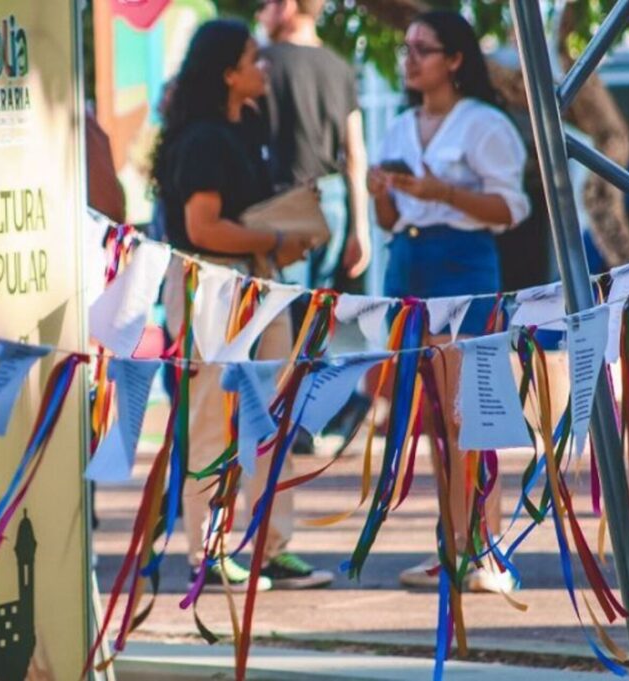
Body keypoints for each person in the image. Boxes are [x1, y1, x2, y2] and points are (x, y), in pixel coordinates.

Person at [151, 19, 334, 592]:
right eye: (256, 59)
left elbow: (243, 215)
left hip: (256, 283)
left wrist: (290, 219)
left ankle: (268, 546)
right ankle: (209, 551)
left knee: (271, 416)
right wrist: (276, 240)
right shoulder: (203, 138)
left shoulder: (246, 126)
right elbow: (202, 227)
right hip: (214, 285)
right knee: (214, 420)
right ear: (229, 73)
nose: (266, 68)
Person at [367, 10, 531, 592]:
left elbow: (510, 210)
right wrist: (381, 193)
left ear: (455, 60)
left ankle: (484, 549)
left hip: (462, 263)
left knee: (470, 409)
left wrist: (444, 193)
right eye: (407, 49)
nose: (409, 60)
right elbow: (391, 219)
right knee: (433, 418)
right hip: (409, 265)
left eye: (423, 50)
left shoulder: (483, 124)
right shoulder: (400, 124)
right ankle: (452, 543)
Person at [257, 0, 373, 453]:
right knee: (315, 319)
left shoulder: (267, 61)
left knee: (280, 317)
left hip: (283, 201)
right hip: (333, 200)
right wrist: (360, 227)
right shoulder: (339, 66)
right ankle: (313, 413)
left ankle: (286, 418)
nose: (262, 14)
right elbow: (354, 151)